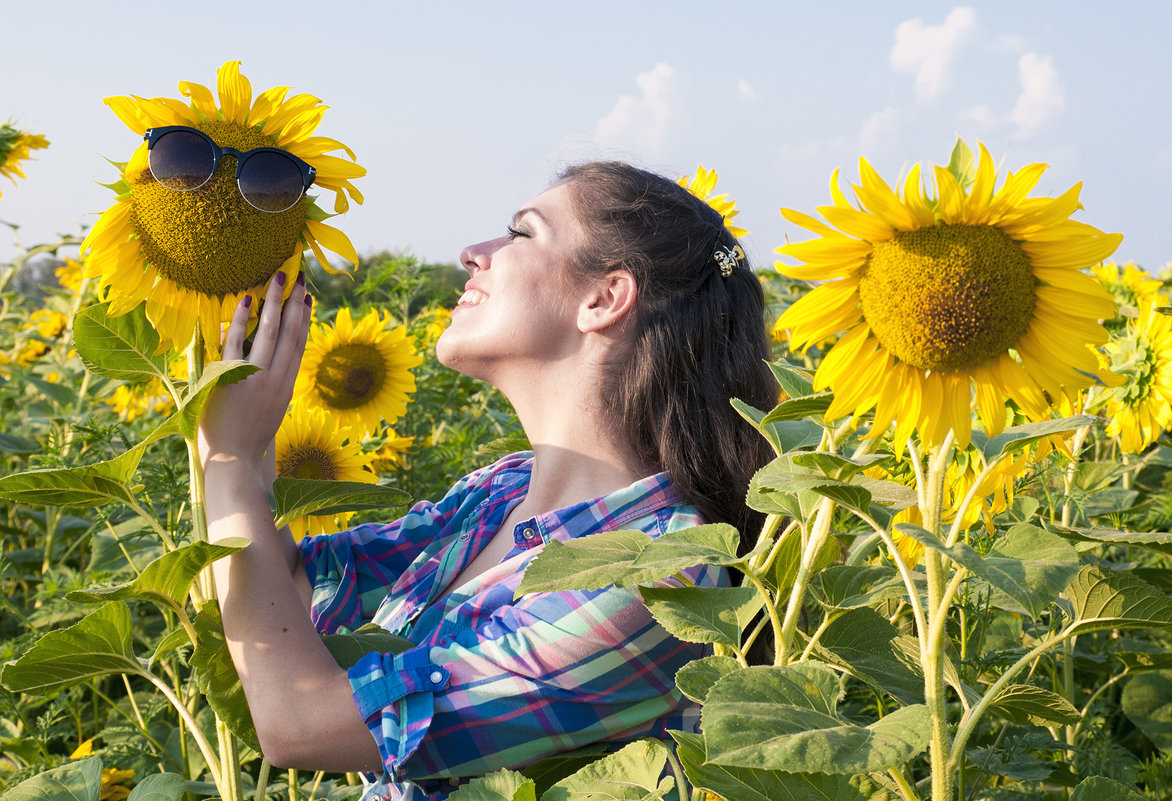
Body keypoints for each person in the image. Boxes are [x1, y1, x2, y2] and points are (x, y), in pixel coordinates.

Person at [198, 161, 777, 800]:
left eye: (522, 234)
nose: (474, 254)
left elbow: (300, 724)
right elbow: (297, 586)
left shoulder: (662, 580)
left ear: (603, 298)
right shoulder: (499, 493)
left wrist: (227, 464)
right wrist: (239, 431)